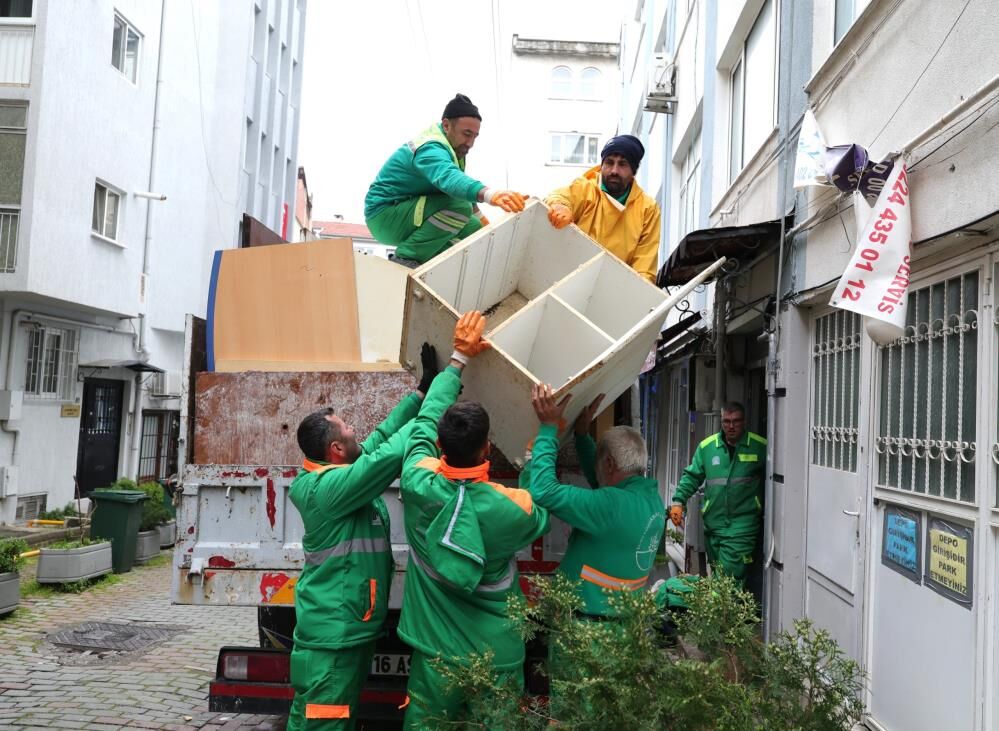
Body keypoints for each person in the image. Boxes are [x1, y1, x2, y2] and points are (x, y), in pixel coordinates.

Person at [398, 311, 551, 729]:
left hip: (434, 656)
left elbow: (424, 423)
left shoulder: (417, 481)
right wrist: (544, 442)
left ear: (440, 448)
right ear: (488, 449)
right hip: (497, 658)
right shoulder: (511, 509)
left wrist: (458, 359)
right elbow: (540, 505)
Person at [285, 344, 439, 730]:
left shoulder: (334, 471)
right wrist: (439, 400)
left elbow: (381, 438)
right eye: (351, 431)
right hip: (333, 637)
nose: (359, 434)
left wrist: (420, 394)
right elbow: (387, 456)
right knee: (325, 722)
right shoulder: (330, 488)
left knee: (334, 718)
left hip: (342, 629)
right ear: (336, 450)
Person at [526, 385, 665, 617]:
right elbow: (604, 482)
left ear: (609, 464)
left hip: (586, 627)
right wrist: (582, 436)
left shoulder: (609, 505)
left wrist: (548, 428)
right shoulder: (651, 499)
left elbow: (543, 490)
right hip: (622, 623)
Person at [365, 93, 527, 268]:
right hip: (385, 216)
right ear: (446, 125)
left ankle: (436, 266)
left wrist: (487, 227)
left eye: (475, 136)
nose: (470, 143)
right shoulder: (430, 148)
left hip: (407, 213)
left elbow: (460, 193)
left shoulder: (454, 150)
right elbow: (450, 179)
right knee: (459, 208)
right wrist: (489, 194)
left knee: (473, 228)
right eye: (466, 134)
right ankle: (406, 259)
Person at [669, 402, 766, 587]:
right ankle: (727, 614)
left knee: (728, 581)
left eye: (736, 421)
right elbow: (692, 476)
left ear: (744, 421)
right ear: (721, 422)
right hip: (713, 527)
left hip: (741, 528)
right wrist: (678, 501)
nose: (731, 426)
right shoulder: (707, 447)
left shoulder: (759, 447)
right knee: (719, 577)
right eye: (726, 421)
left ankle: (722, 615)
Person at [544, 134, 661, 283]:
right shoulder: (586, 188)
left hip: (613, 288)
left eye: (623, 164)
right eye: (609, 162)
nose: (614, 170)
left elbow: (644, 269)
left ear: (634, 170)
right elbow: (560, 196)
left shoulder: (648, 209)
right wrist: (560, 207)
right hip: (569, 277)